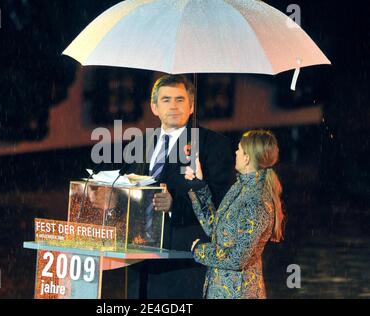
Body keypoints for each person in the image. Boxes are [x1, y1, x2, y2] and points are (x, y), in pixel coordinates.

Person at [122, 74, 233, 298]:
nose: (173, 105)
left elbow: (221, 203)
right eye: (166, 99)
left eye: (180, 99)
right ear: (154, 107)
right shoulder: (139, 143)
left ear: (192, 106)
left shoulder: (214, 145)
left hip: (182, 262)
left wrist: (175, 206)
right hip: (138, 261)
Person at [185, 129, 285, 299]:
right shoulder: (241, 188)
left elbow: (237, 258)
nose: (236, 152)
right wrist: (198, 185)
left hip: (238, 293)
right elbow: (215, 229)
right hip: (222, 292)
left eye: (239, 149)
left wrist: (200, 250)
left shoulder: (256, 201)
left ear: (247, 158)